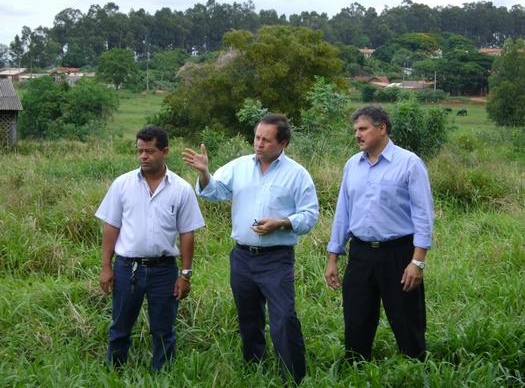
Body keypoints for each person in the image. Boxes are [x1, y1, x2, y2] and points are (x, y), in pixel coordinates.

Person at [182, 113, 319, 384]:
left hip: (276, 259)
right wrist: (204, 173)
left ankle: (293, 375)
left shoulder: (297, 174)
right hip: (243, 257)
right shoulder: (239, 166)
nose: (259, 144)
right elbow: (215, 192)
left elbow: (310, 216)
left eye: (266, 140)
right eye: (257, 137)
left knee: (283, 317)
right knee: (248, 316)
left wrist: (282, 223)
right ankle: (254, 366)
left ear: (284, 143)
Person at [324, 106, 434, 362]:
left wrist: (417, 262)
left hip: (398, 253)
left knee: (407, 318)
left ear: (382, 128)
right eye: (355, 130)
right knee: (356, 317)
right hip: (361, 253)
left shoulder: (409, 163)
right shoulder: (353, 165)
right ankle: (356, 368)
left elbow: (423, 215)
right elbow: (343, 213)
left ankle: (415, 368)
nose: (357, 135)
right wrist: (333, 257)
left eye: (363, 129)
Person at [96, 126, 205, 370]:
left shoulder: (181, 189)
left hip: (164, 270)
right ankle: (114, 372)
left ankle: (162, 375)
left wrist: (185, 274)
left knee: (163, 330)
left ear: (165, 151)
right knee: (120, 327)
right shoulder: (122, 184)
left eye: (150, 151)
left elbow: (187, 233)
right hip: (127, 268)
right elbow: (111, 227)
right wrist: (106, 267)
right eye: (140, 151)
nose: (143, 156)